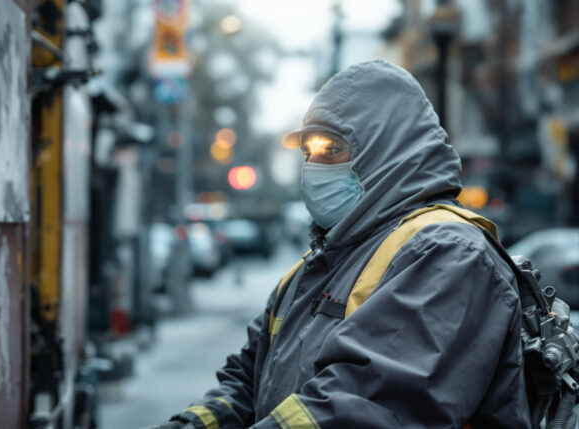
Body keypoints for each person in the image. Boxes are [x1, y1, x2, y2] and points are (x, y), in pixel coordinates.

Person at [147, 60, 530, 428]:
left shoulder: (447, 253)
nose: (313, 167)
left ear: (386, 151)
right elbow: (249, 379)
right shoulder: (321, 263)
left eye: (331, 149)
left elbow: (366, 407)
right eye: (308, 152)